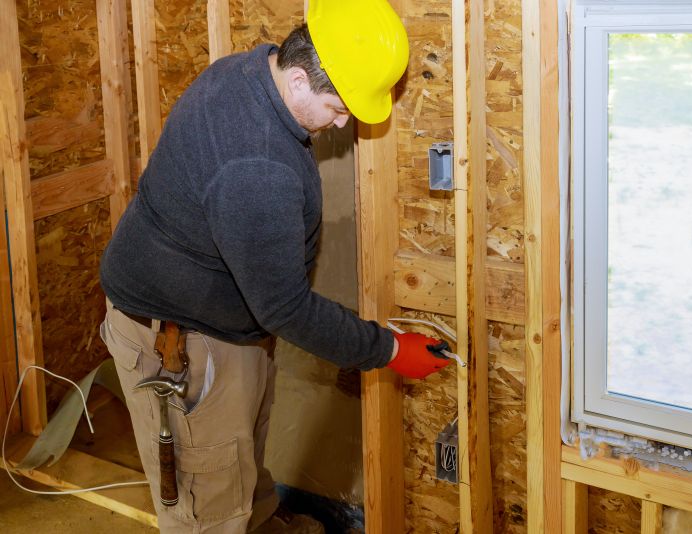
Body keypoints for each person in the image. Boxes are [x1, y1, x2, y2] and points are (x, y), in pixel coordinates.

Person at [98, 0, 451, 532]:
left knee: (241, 459)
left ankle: (261, 524)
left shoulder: (246, 70)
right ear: (300, 79)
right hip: (179, 341)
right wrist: (390, 348)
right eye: (340, 106)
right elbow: (284, 307)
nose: (344, 121)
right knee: (208, 502)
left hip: (223, 318)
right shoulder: (256, 167)